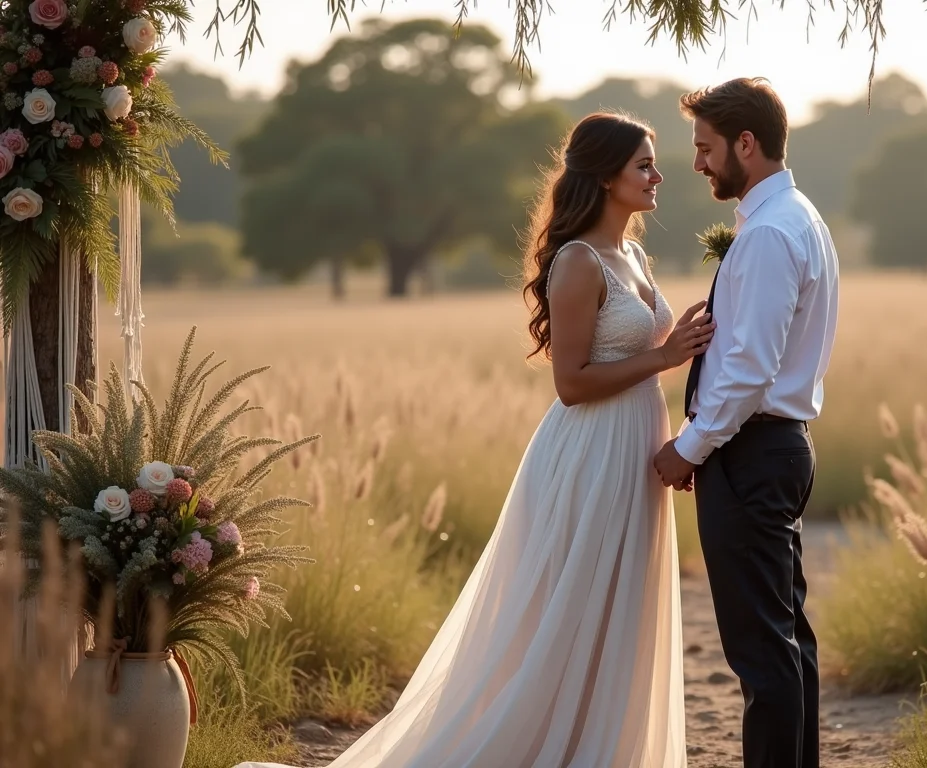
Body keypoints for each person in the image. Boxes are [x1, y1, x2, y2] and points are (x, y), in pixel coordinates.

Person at [236, 111, 712, 768]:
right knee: (569, 607)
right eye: (643, 165)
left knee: (619, 607)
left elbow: (626, 349)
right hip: (590, 452)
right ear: (606, 177)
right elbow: (571, 382)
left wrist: (674, 339)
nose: (658, 175)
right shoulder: (577, 262)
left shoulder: (631, 254)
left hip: (635, 442)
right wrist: (666, 360)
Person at [652, 77, 841, 768]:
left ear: (746, 143)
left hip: (750, 452)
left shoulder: (767, 235)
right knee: (787, 638)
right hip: (776, 448)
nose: (698, 164)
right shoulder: (798, 218)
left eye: (705, 148)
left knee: (762, 654)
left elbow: (750, 369)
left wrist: (690, 447)